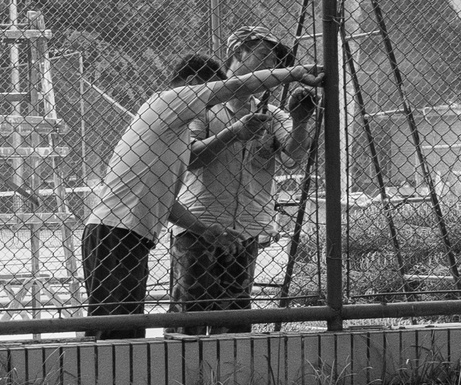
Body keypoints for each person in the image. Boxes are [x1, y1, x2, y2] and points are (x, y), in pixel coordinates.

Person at [82, 53, 323, 338]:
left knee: (126, 331)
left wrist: (205, 229)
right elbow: (235, 88)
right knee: (114, 331)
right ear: (193, 82)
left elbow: (165, 201)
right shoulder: (168, 100)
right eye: (211, 91)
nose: (215, 100)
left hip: (128, 234)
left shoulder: (174, 133)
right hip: (115, 232)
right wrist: (296, 72)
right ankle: (99, 381)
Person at [170, 26, 318, 334]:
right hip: (200, 224)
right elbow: (191, 157)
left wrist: (301, 120)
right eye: (265, 55)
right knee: (190, 316)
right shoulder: (204, 108)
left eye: (279, 61)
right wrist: (233, 134)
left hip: (246, 228)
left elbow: (294, 155)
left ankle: (230, 380)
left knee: (235, 317)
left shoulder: (273, 115)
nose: (274, 66)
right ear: (237, 54)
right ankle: (183, 379)